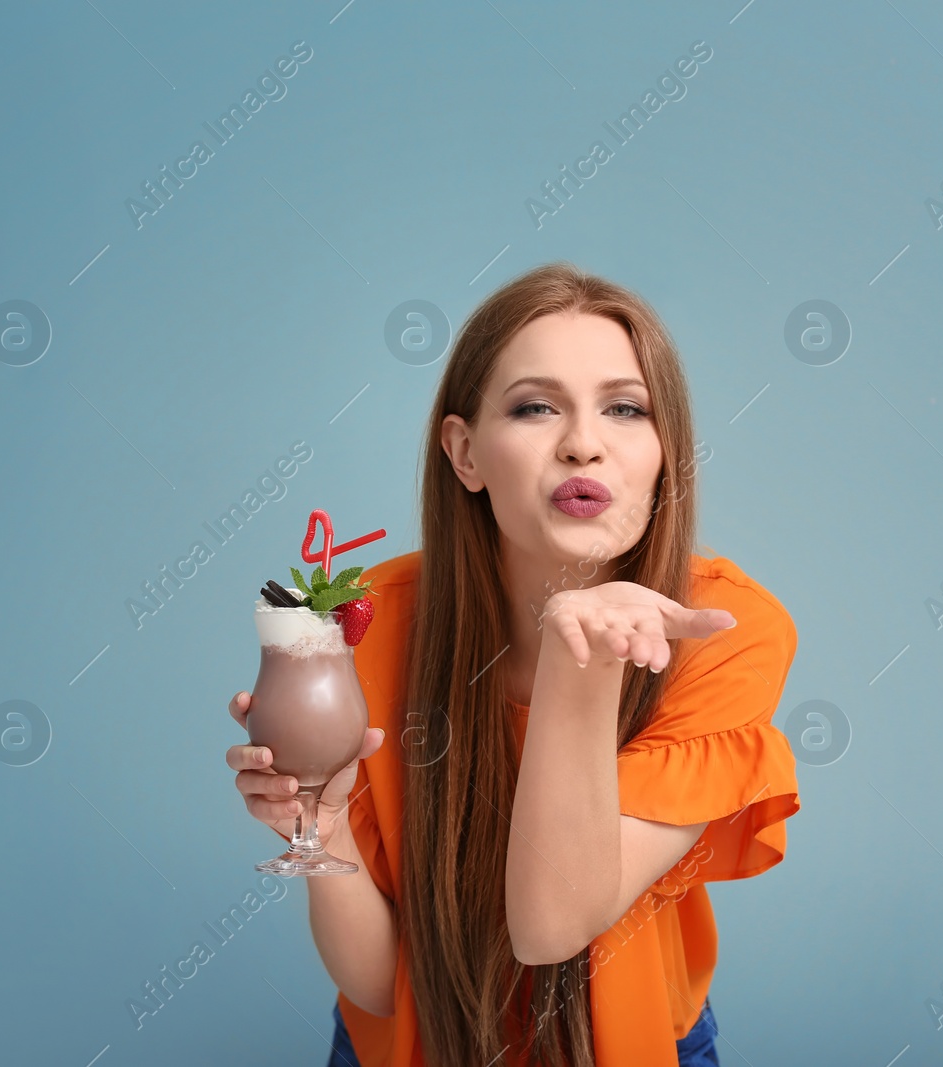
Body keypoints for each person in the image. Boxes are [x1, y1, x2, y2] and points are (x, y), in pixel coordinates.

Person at [227, 262, 800, 1066]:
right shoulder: (365, 627)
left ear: (665, 452)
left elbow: (552, 923)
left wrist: (583, 658)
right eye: (535, 407)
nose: (582, 444)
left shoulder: (725, 632)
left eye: (625, 409)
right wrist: (322, 829)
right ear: (465, 454)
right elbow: (381, 982)